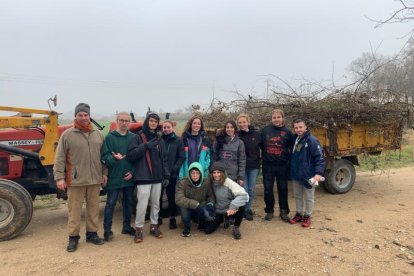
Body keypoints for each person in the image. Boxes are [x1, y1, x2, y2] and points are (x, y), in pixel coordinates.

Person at [54, 103, 107, 252]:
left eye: (86, 115)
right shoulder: (68, 134)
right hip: (75, 180)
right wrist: (59, 177)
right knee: (74, 210)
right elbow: (59, 158)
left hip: (95, 179)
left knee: (93, 208)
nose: (83, 118)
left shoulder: (98, 134)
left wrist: (104, 174)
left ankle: (92, 234)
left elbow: (103, 157)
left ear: (89, 116)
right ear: (75, 116)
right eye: (80, 115)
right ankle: (73, 237)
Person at [127, 112, 169, 243]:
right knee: (142, 204)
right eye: (151, 121)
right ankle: (139, 229)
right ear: (147, 121)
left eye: (156, 122)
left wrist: (166, 174)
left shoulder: (159, 138)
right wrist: (145, 146)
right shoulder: (138, 137)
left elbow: (164, 158)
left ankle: (154, 226)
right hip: (143, 176)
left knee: (156, 204)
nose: (153, 123)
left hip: (157, 177)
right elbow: (131, 155)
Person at [101, 112, 135, 241]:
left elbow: (136, 157)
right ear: (117, 121)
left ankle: (126, 227)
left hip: (128, 176)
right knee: (111, 204)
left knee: (128, 203)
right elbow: (104, 156)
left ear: (129, 122)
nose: (124, 123)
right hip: (114, 177)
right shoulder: (110, 138)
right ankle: (107, 231)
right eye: (122, 120)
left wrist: (132, 172)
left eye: (127, 121)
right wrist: (113, 158)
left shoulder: (133, 137)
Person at [289, 119, 325, 227]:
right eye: (296, 128)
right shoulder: (295, 139)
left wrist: (318, 173)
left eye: (300, 127)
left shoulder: (312, 140)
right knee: (297, 196)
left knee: (309, 197)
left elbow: (320, 158)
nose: (298, 130)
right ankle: (299, 214)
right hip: (296, 174)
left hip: (308, 175)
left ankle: (307, 216)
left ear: (305, 127)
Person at [260, 109, 294, 222]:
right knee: (268, 189)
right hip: (267, 166)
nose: (276, 119)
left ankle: (284, 211)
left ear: (282, 118)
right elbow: (260, 146)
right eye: (274, 117)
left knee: (283, 189)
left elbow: (292, 148)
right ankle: (269, 211)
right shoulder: (265, 130)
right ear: (271, 119)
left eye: (278, 117)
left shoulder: (288, 132)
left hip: (282, 166)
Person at [204, 162, 249, 240]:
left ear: (222, 173)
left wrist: (233, 206)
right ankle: (225, 219)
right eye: (214, 172)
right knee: (207, 231)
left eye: (218, 172)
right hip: (218, 211)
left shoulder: (228, 182)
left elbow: (244, 195)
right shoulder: (210, 183)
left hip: (230, 210)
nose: (216, 175)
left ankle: (236, 227)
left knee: (241, 206)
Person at [175, 162, 215, 237]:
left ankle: (201, 223)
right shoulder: (183, 182)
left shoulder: (206, 182)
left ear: (201, 174)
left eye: (197, 173)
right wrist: (195, 204)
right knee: (183, 208)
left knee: (208, 215)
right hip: (189, 206)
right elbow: (179, 198)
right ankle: (187, 227)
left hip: (201, 206)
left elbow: (211, 195)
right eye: (192, 173)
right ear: (189, 173)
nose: (195, 175)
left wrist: (210, 204)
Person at [159, 120, 185, 229]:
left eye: (168, 127)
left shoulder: (178, 140)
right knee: (158, 197)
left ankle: (172, 218)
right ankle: (158, 217)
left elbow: (181, 157)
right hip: (159, 174)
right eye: (164, 127)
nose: (166, 129)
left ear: (172, 128)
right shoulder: (159, 140)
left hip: (172, 174)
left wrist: (173, 170)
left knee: (171, 196)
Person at [237, 113, 261, 221]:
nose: (242, 124)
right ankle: (242, 209)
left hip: (254, 166)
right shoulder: (236, 135)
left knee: (251, 190)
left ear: (248, 122)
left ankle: (247, 209)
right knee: (244, 189)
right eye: (240, 122)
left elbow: (263, 147)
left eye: (244, 122)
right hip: (242, 167)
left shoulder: (256, 134)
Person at [212, 120, 246, 185]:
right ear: (225, 129)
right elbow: (214, 156)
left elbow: (242, 161)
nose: (229, 129)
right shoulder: (219, 141)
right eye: (227, 127)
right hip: (220, 175)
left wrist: (241, 177)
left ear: (235, 129)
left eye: (231, 127)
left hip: (233, 175)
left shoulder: (239, 143)